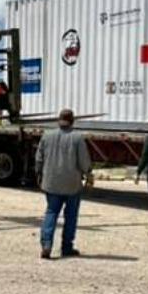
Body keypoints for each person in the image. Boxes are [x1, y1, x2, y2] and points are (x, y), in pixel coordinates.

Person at [36, 108, 93, 259]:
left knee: (51, 212)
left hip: (51, 182)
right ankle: (67, 247)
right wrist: (88, 173)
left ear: (58, 120)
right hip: (72, 184)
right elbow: (83, 161)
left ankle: (46, 244)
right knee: (71, 216)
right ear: (72, 121)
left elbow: (39, 158)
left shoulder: (47, 136)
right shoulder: (77, 138)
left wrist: (39, 173)